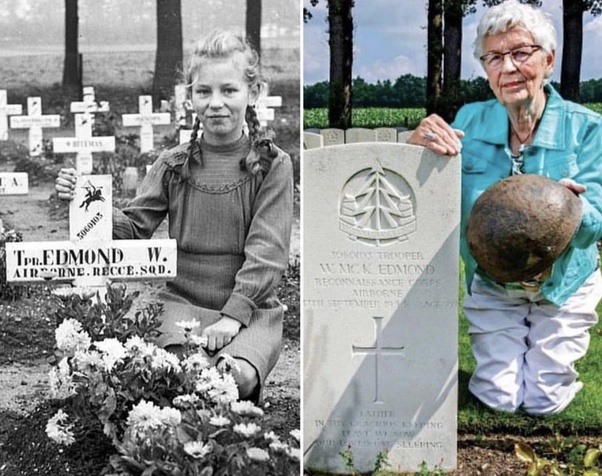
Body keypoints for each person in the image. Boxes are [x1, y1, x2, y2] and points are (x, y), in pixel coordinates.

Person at [55, 30, 294, 402]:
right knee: (180, 377)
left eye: (229, 90)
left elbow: (268, 251)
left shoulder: (271, 166)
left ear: (254, 92)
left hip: (250, 311)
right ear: (189, 97)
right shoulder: (173, 164)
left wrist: (233, 315)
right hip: (181, 306)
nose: (216, 103)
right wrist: (87, 199)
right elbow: (133, 229)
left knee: (234, 379)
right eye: (204, 91)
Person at [408, 0, 602, 416]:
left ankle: (550, 368)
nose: (508, 67)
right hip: (494, 282)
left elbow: (596, 221)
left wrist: (570, 209)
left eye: (520, 52)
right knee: (498, 398)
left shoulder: (587, 128)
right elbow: (426, 195)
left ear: (548, 60)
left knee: (543, 402)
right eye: (494, 57)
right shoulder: (469, 121)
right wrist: (413, 152)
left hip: (563, 283)